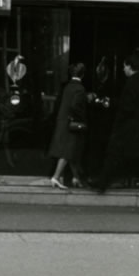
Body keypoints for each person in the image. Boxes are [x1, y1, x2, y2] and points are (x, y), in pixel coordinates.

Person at [91, 54, 139, 195]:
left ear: (129, 66)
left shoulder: (132, 82)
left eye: (124, 66)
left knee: (113, 154)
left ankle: (102, 184)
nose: (123, 69)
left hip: (128, 127)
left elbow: (127, 106)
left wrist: (111, 103)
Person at [47, 61, 88, 189]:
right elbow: (75, 106)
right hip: (72, 123)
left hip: (63, 121)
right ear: (83, 75)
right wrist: (83, 118)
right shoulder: (80, 88)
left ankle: (77, 178)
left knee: (70, 152)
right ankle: (56, 177)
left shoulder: (67, 86)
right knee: (68, 152)